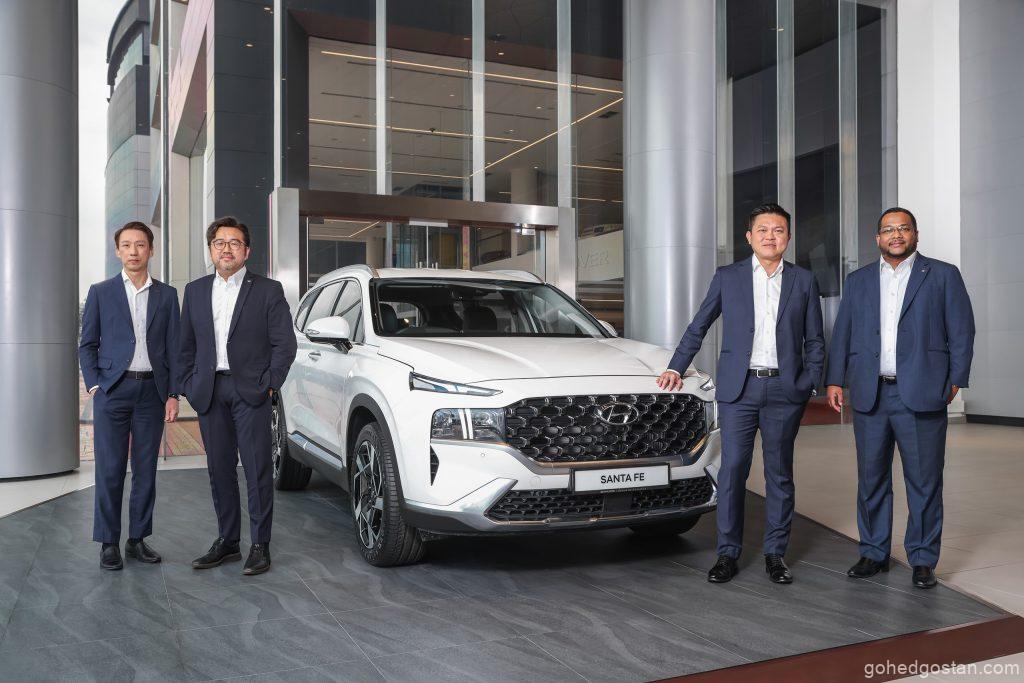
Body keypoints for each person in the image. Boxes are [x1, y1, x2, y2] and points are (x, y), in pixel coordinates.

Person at [657, 203, 824, 584]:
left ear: (788, 238)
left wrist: (809, 381)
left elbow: (815, 338)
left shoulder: (803, 280)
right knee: (732, 470)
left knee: (779, 473)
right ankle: (727, 553)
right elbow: (699, 324)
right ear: (749, 237)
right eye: (763, 230)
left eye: (778, 230)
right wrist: (675, 367)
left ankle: (776, 555)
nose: (770, 236)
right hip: (739, 389)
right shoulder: (728, 277)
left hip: (785, 389)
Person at [826, 207, 974, 589]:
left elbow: (961, 330)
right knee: (871, 478)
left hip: (922, 392)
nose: (896, 235)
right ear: (877, 238)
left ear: (915, 234)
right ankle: (873, 552)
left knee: (924, 481)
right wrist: (834, 379)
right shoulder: (858, 281)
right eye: (889, 230)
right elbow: (843, 333)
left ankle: (922, 559)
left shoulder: (942, 275)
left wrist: (956, 379)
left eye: (903, 228)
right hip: (870, 393)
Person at [179, 216, 297, 575]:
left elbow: (285, 344)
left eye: (234, 242)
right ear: (211, 249)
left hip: (251, 391)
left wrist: (270, 384)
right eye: (219, 242)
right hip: (209, 390)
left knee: (257, 468)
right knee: (219, 469)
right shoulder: (195, 291)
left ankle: (260, 545)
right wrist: (189, 384)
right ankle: (228, 541)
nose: (226, 248)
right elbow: (185, 345)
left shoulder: (268, 290)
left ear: (247, 251)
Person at [80, 221, 180, 570]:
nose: (133, 251)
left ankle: (137, 539)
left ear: (151, 250)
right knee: (110, 468)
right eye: (126, 245)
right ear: (117, 251)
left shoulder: (167, 295)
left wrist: (173, 393)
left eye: (140, 245)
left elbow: (175, 347)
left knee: (145, 469)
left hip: (152, 392)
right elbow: (87, 344)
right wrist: (95, 384)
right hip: (113, 391)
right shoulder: (101, 292)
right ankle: (109, 542)